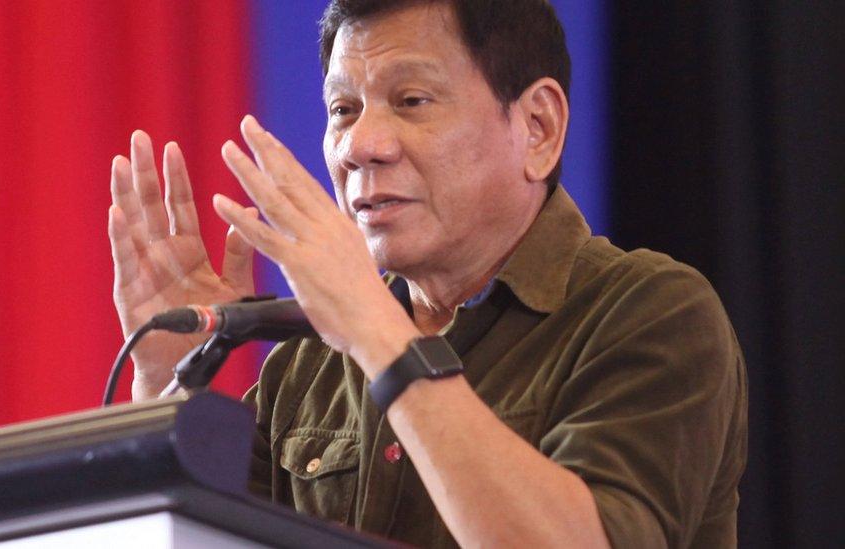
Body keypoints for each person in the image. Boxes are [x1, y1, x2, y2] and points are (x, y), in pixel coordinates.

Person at [107, 1, 747, 547]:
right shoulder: (307, 367)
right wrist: (172, 382)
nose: (361, 145)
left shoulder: (652, 312)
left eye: (411, 100)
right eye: (343, 109)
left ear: (538, 128)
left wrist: (380, 336)